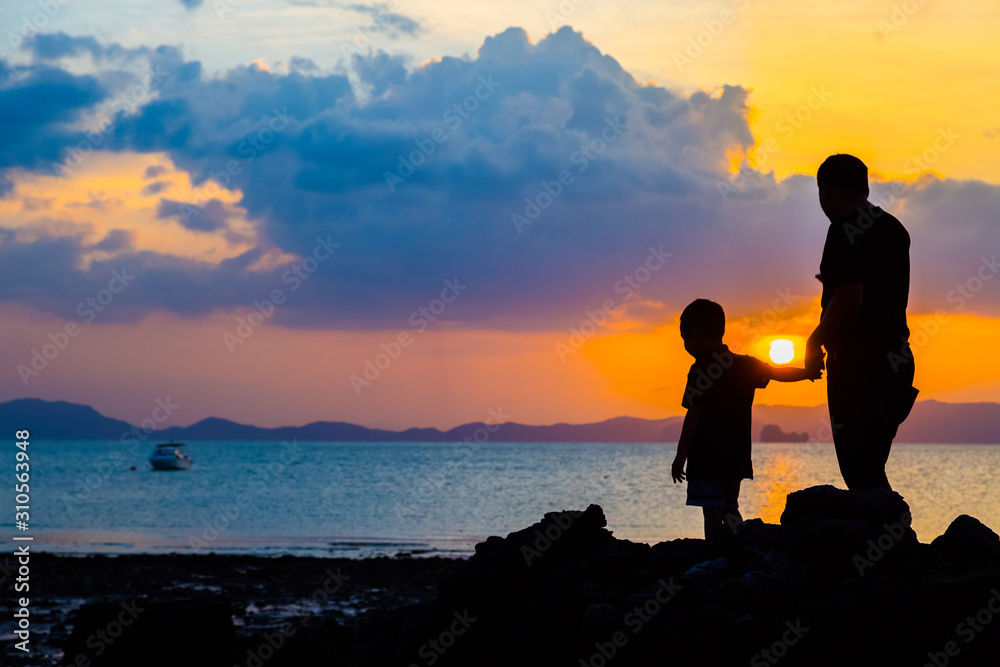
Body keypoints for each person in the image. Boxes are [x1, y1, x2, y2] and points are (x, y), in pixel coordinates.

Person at [805, 154, 919, 493]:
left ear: (826, 190)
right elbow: (876, 289)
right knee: (870, 465)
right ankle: (892, 539)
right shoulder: (895, 228)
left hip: (859, 368)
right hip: (897, 361)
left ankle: (891, 534)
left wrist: (813, 343)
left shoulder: (842, 230)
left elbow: (851, 299)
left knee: (859, 469)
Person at [671, 299, 819, 542]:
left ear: (693, 335)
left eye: (683, 338)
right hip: (735, 455)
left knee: (712, 511)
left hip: (706, 457)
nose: (685, 344)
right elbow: (778, 372)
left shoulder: (699, 370)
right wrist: (808, 373)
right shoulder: (744, 365)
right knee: (730, 506)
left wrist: (680, 456)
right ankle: (738, 551)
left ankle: (715, 554)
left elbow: (693, 414)